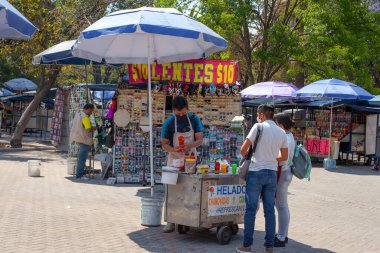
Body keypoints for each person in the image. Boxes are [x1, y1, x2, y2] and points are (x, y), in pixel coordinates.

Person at [237, 104, 288, 253]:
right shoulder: (281, 132)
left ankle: (247, 246)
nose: (258, 117)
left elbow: (243, 149)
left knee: (251, 210)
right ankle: (269, 247)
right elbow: (284, 157)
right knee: (269, 211)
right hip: (272, 173)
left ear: (262, 114)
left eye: (259, 114)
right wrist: (271, 157)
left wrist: (255, 157)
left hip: (255, 172)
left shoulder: (258, 127)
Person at [161, 96, 204, 233]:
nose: (180, 116)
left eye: (183, 113)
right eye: (177, 113)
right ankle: (170, 221)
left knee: (190, 189)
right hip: (174, 159)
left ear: (187, 108)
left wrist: (189, 145)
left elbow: (200, 140)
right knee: (172, 190)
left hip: (190, 157)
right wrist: (173, 149)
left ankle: (189, 219)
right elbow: (164, 143)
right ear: (173, 110)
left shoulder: (194, 119)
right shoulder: (168, 122)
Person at [273, 113, 296, 248]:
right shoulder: (288, 136)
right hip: (285, 173)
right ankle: (283, 234)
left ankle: (281, 237)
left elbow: (283, 158)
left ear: (280, 125)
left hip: (284, 173)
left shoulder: (286, 137)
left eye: (275, 124)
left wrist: (268, 157)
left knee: (281, 206)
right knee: (282, 206)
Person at [70, 103, 96, 179]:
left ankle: (79, 174)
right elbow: (88, 129)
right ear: (88, 109)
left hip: (77, 138)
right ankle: (79, 175)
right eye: (91, 111)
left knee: (81, 158)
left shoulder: (78, 114)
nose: (91, 113)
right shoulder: (85, 118)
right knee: (82, 158)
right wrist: (95, 128)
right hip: (84, 139)